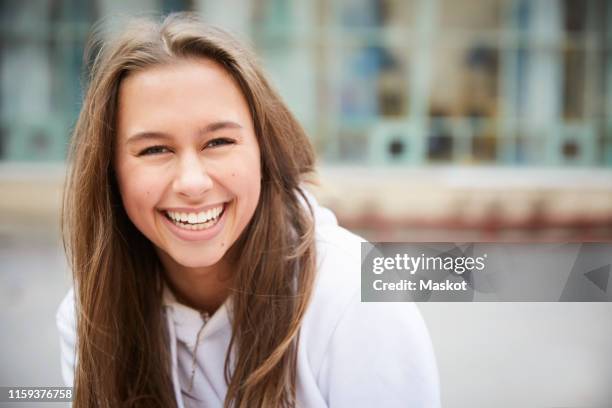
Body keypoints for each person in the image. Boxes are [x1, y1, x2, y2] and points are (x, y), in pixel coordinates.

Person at [56, 12, 440, 408]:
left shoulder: (355, 300)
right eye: (155, 149)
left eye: (218, 142)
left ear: (264, 151)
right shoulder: (92, 314)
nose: (192, 182)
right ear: (110, 170)